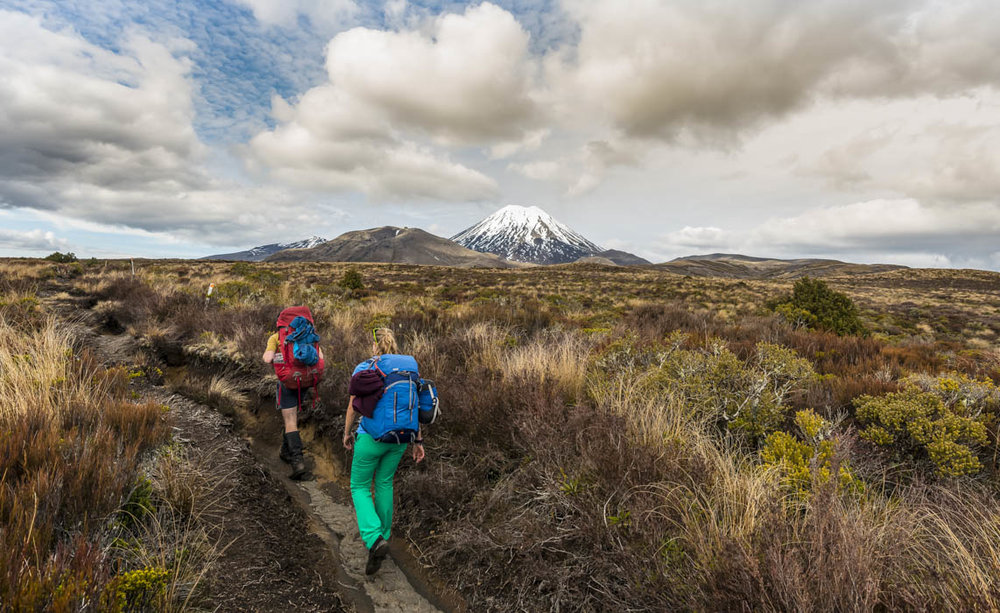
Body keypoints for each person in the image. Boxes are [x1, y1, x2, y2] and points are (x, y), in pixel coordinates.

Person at [343, 327, 426, 575]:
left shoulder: (365, 367)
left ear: (374, 345)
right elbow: (414, 407)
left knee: (359, 487)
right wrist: (418, 441)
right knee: (385, 484)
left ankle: (374, 538)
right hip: (401, 438)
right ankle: (384, 536)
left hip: (371, 437)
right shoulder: (409, 368)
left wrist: (346, 433)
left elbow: (352, 408)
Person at [263, 325, 324, 480]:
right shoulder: (307, 335)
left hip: (288, 382)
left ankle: (298, 464)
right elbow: (321, 358)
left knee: (290, 420)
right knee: (292, 414)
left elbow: (267, 358)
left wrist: (276, 360)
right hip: (305, 382)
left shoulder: (276, 337)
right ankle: (285, 451)